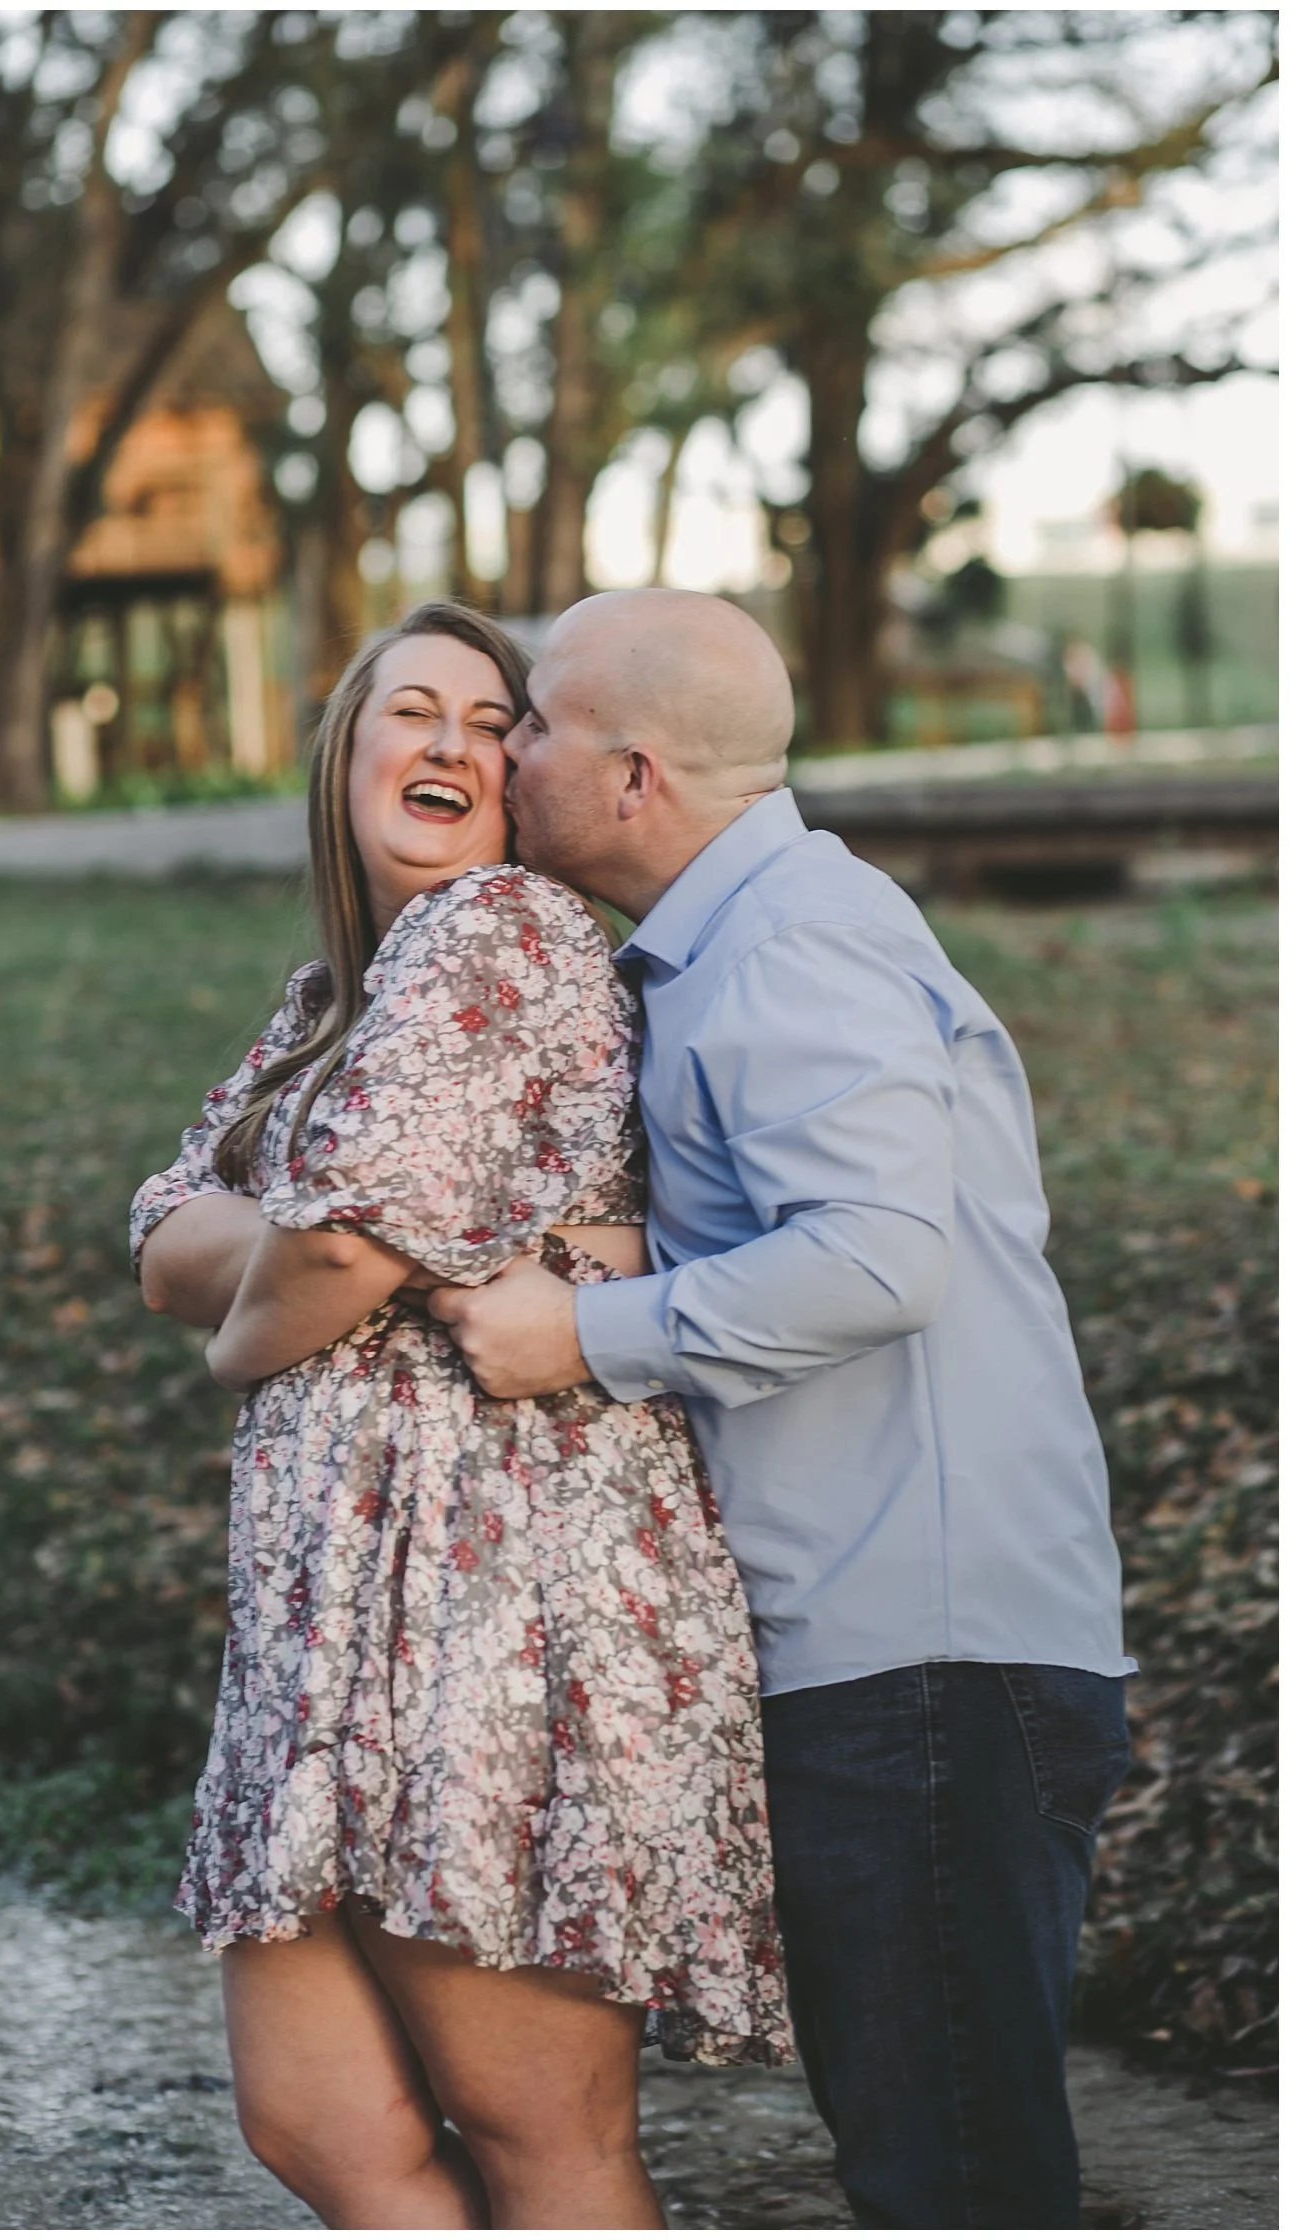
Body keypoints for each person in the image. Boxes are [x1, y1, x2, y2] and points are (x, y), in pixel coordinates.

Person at [433, 588, 1135, 2232]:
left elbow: (882, 1259)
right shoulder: (734, 947)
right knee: (932, 2162)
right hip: (894, 1656)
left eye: (531, 722)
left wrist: (585, 1330)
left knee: (953, 2183)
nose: (503, 749)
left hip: (929, 1666)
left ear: (631, 774)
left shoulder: (794, 941)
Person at [129, 601, 789, 2233]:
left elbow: (330, 1247)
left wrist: (269, 1319)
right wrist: (336, 1249)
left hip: (491, 1615)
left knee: (538, 2139)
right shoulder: (324, 1003)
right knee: (322, 2128)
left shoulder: (500, 933)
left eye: (495, 726)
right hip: (328, 1625)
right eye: (408, 712)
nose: (450, 745)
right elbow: (166, 1237)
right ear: (343, 755)